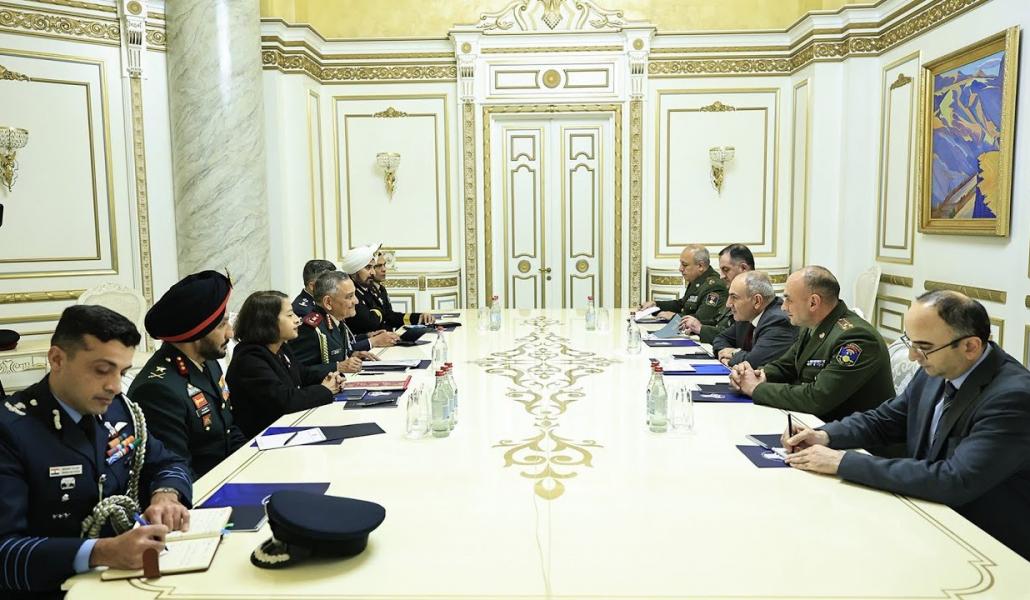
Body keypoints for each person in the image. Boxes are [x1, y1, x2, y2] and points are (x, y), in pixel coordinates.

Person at [781, 291, 1030, 560]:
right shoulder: (938, 367)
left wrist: (842, 462)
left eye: (923, 347)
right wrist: (824, 435)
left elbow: (956, 479)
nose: (912, 356)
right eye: (910, 342)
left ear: (970, 346)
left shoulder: (1012, 398)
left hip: (988, 543)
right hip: (925, 515)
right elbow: (886, 420)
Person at [0, 305, 192, 596]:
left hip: (128, 577)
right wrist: (100, 552)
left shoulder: (118, 409)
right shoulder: (11, 430)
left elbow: (168, 462)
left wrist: (166, 495)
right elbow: (5, 552)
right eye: (102, 370)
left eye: (122, 372)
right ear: (57, 359)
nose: (115, 386)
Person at [729, 266, 893, 424]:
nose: (783, 307)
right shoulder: (813, 326)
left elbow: (817, 398)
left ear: (813, 303)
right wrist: (758, 375)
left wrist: (755, 388)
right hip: (814, 424)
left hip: (852, 436)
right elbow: (786, 365)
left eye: (789, 299)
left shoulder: (856, 338)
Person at [128, 271, 247, 479]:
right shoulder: (158, 390)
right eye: (222, 325)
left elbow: (228, 430)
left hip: (230, 476)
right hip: (202, 490)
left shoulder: (208, 362)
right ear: (196, 332)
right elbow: (176, 471)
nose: (230, 333)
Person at [227, 291, 344, 438]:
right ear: (267, 321)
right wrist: (325, 390)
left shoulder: (280, 347)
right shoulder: (249, 359)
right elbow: (284, 401)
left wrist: (331, 377)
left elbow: (303, 374)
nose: (297, 320)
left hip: (288, 426)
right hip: (262, 438)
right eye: (289, 315)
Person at [289, 271, 389, 378]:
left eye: (354, 295)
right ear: (328, 302)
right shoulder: (311, 329)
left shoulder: (336, 319)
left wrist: (352, 354)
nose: (356, 301)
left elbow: (335, 352)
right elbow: (296, 372)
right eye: (349, 296)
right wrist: (337, 367)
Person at [342, 245, 435, 335]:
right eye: (368, 267)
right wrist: (381, 312)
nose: (373, 272)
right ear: (354, 271)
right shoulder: (351, 293)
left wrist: (418, 317)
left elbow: (389, 316)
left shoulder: (370, 288)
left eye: (373, 267)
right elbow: (371, 323)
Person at [712, 271, 796, 367]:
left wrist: (734, 353)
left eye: (734, 297)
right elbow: (721, 338)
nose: (728, 304)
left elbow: (754, 361)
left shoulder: (778, 321)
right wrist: (724, 354)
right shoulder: (747, 316)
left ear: (757, 301)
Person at [637, 244, 728, 326]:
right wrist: (655, 304)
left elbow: (702, 319)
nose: (680, 269)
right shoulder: (698, 280)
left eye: (684, 265)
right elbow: (682, 304)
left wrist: (675, 316)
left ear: (700, 266)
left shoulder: (714, 286)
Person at [680, 243, 753, 342]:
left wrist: (701, 329)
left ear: (743, 268)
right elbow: (721, 327)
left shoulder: (751, 298)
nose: (721, 276)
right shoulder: (733, 292)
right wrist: (696, 327)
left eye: (726, 270)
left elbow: (736, 338)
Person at [370, 249, 394, 314]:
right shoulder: (367, 291)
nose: (384, 269)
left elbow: (390, 314)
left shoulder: (382, 289)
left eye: (384, 265)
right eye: (378, 266)